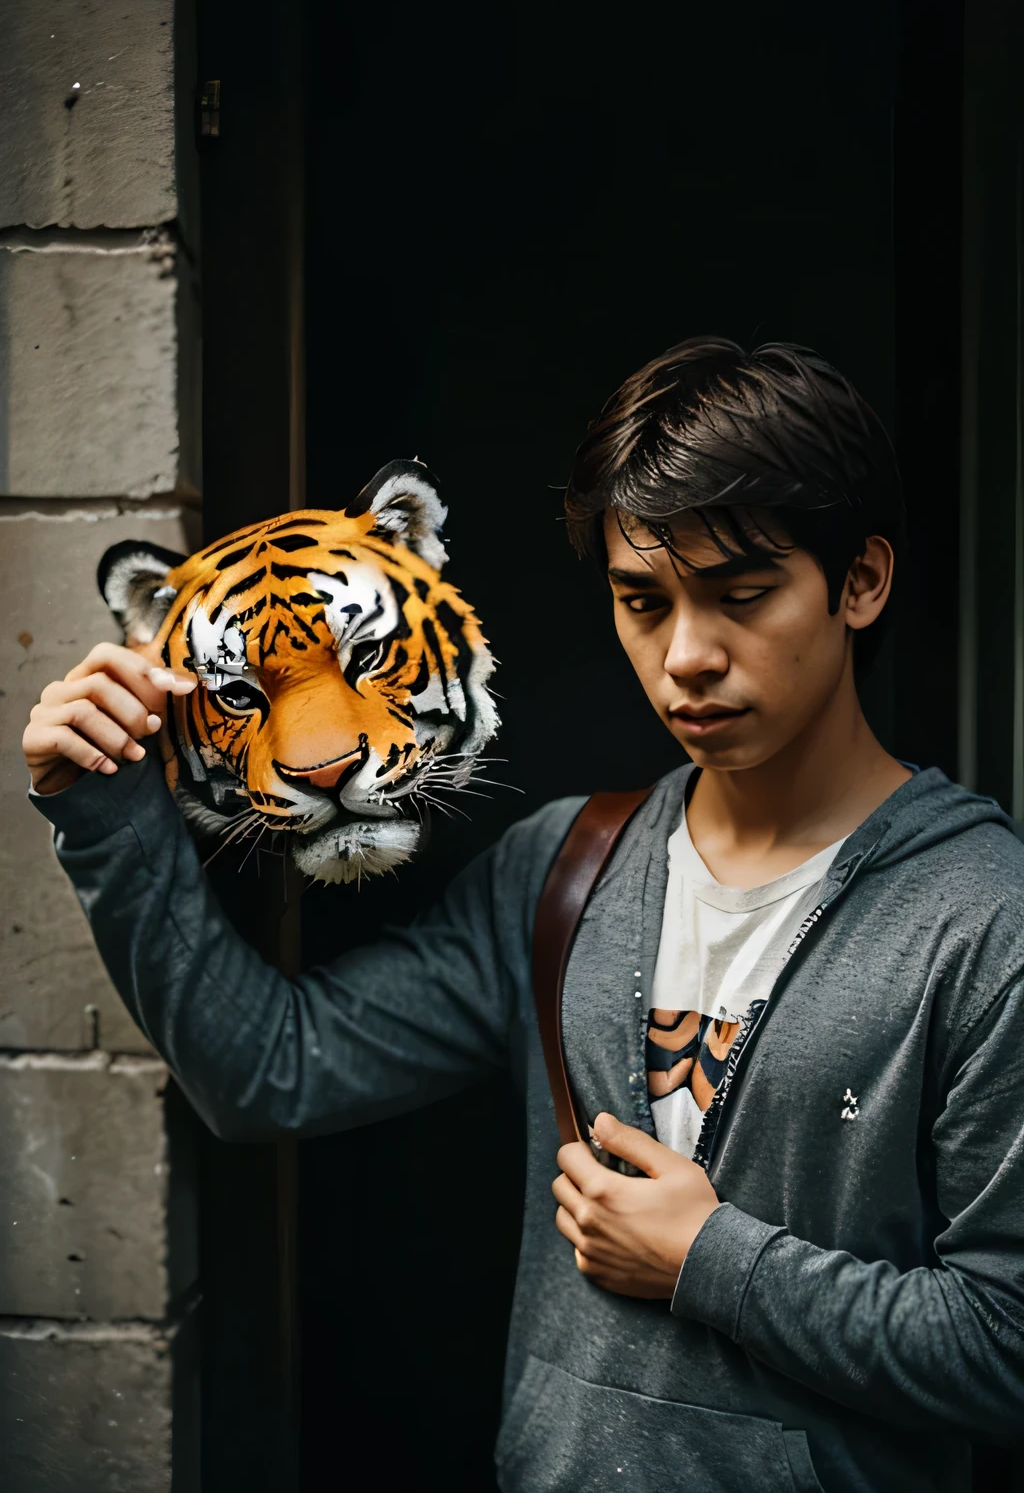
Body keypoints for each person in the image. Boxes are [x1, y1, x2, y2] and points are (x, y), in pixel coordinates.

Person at [23, 338, 1024, 1493]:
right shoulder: (563, 867)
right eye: (642, 601)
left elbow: (1003, 1350)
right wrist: (101, 813)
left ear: (860, 582)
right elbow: (269, 1072)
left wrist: (712, 1260)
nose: (686, 656)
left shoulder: (980, 918)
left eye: (742, 595)